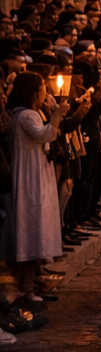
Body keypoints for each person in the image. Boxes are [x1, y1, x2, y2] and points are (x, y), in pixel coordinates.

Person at [0, 71, 69, 305]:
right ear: (32, 91)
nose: (45, 92)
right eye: (42, 88)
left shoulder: (26, 114)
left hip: (33, 172)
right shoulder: (27, 115)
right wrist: (57, 115)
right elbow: (45, 135)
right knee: (31, 230)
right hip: (30, 176)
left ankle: (26, 286)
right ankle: (25, 289)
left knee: (31, 230)